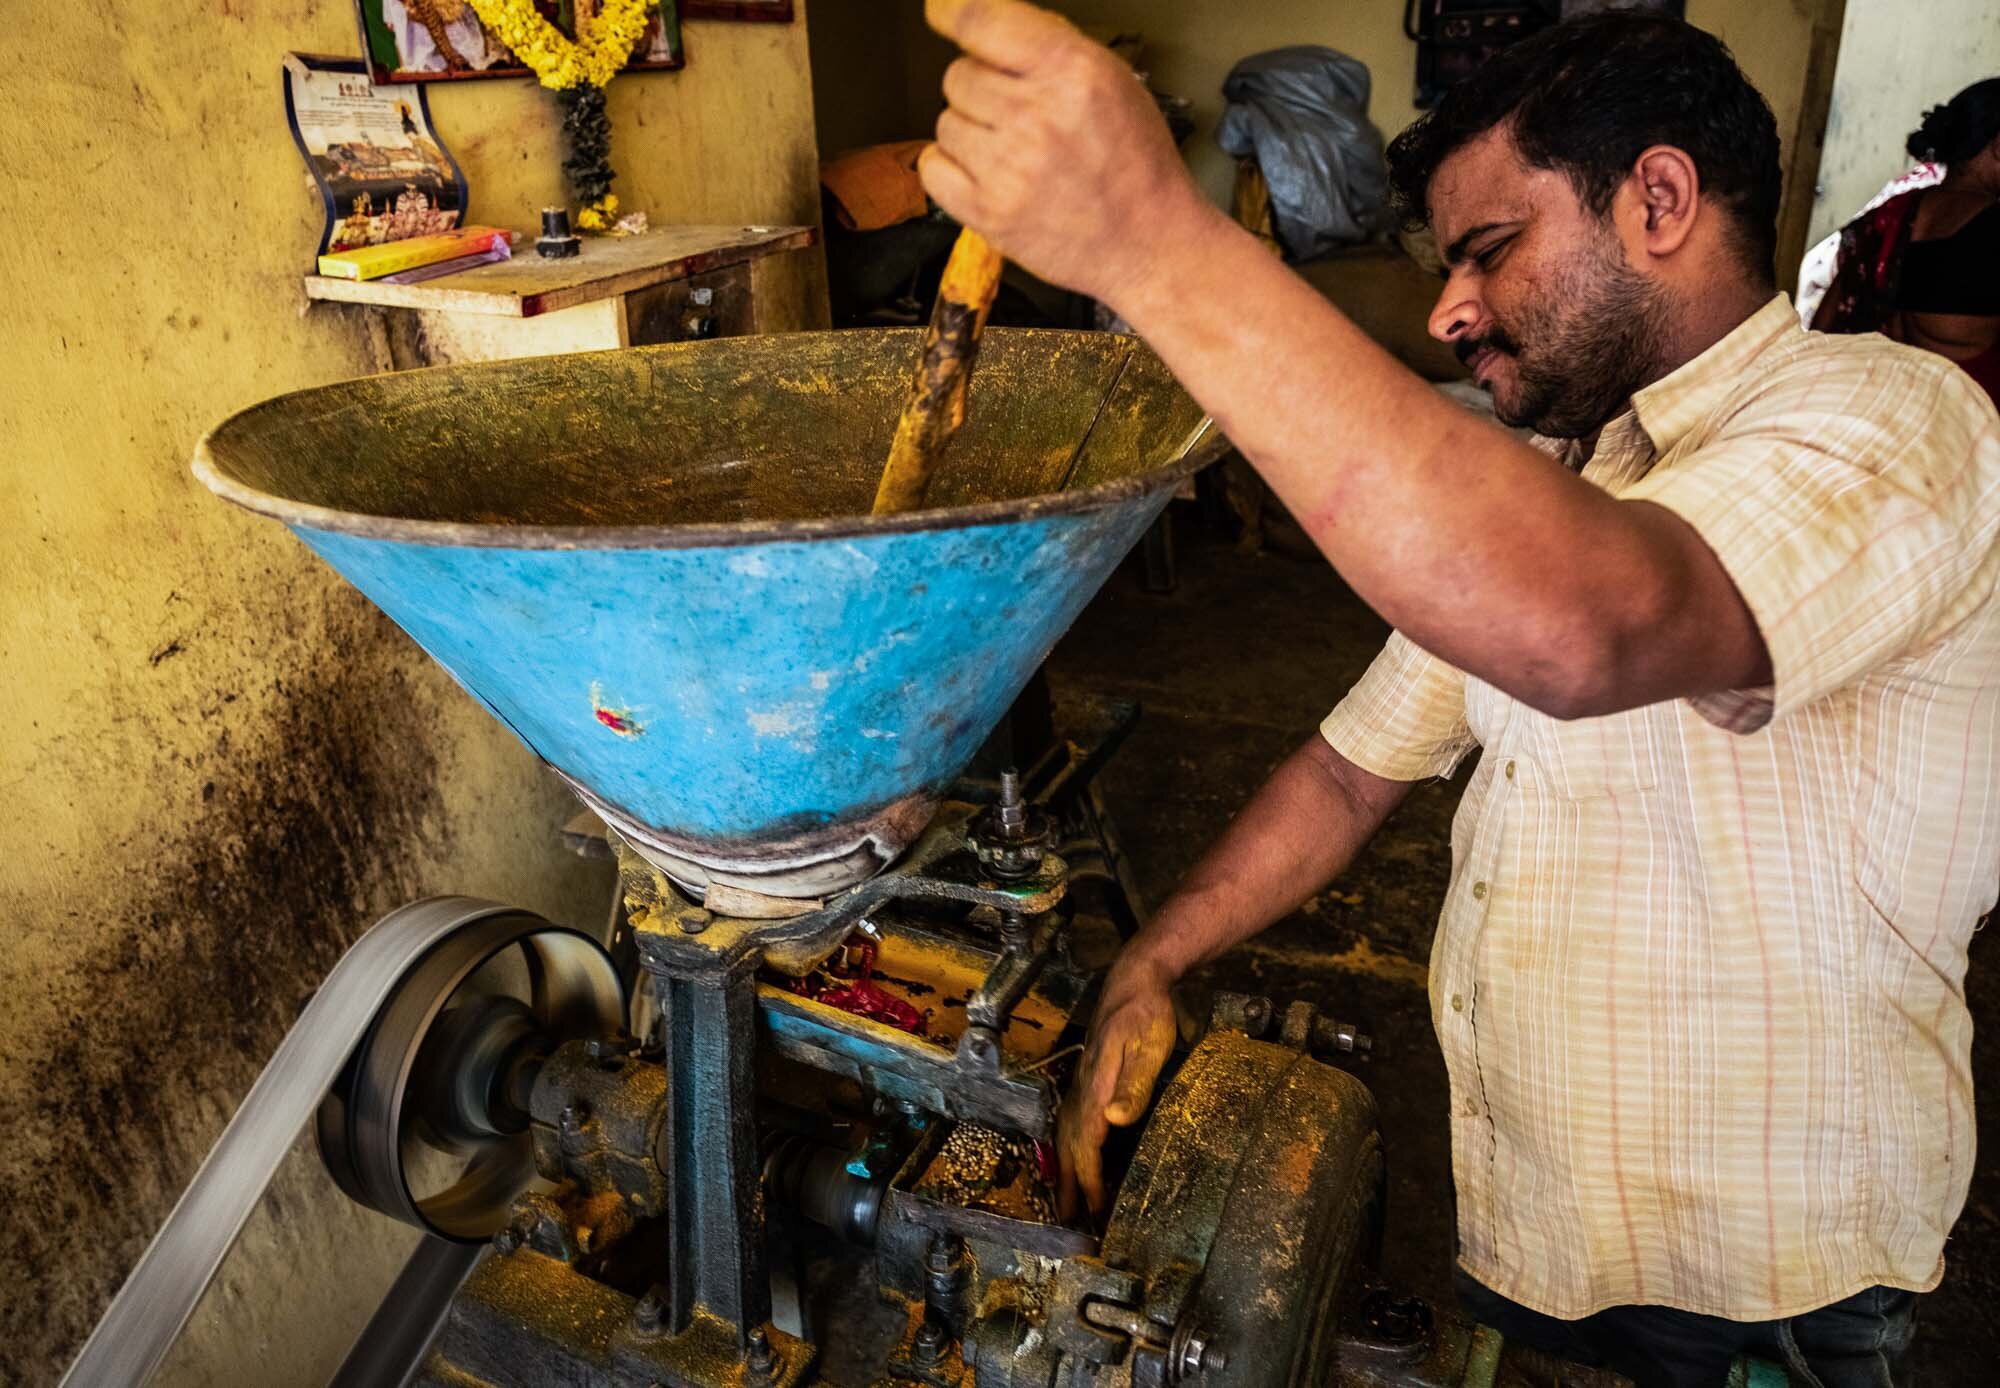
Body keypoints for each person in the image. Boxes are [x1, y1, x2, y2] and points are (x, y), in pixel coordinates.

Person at [917, 3, 2000, 1385]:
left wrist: (1154, 239)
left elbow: (1593, 629)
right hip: (1538, 1232)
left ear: (1659, 200)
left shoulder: (1895, 421)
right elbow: (1350, 770)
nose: (1449, 306)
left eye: (1491, 250)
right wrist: (1155, 957)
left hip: (1762, 1285)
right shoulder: (1565, 482)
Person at [1813, 79, 2000, 409]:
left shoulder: (1887, 217)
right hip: (1964, 436)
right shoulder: (1991, 228)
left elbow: (1823, 327)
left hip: (1875, 417)